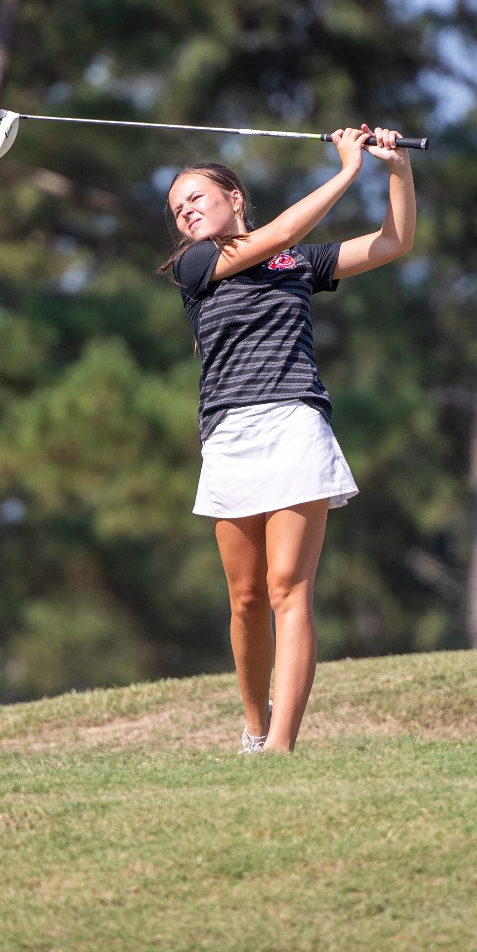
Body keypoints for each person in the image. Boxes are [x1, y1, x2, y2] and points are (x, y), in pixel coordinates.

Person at [165, 126, 417, 752]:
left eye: (196, 197)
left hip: (295, 422)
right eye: (178, 210)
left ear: (234, 197)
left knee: (286, 588)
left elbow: (394, 242)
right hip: (230, 433)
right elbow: (278, 233)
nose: (187, 212)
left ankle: (280, 744)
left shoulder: (295, 264)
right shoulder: (195, 265)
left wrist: (395, 171)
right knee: (247, 599)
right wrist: (344, 172)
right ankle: (254, 726)